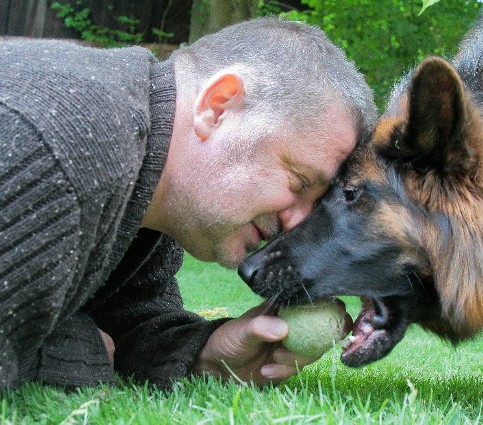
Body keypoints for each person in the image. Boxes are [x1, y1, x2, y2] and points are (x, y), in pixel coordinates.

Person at [0, 17, 377, 390]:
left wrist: (205, 353)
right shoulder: (65, 146)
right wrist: (74, 352)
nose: (296, 225)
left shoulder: (152, 195)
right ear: (217, 106)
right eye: (299, 180)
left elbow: (126, 322)